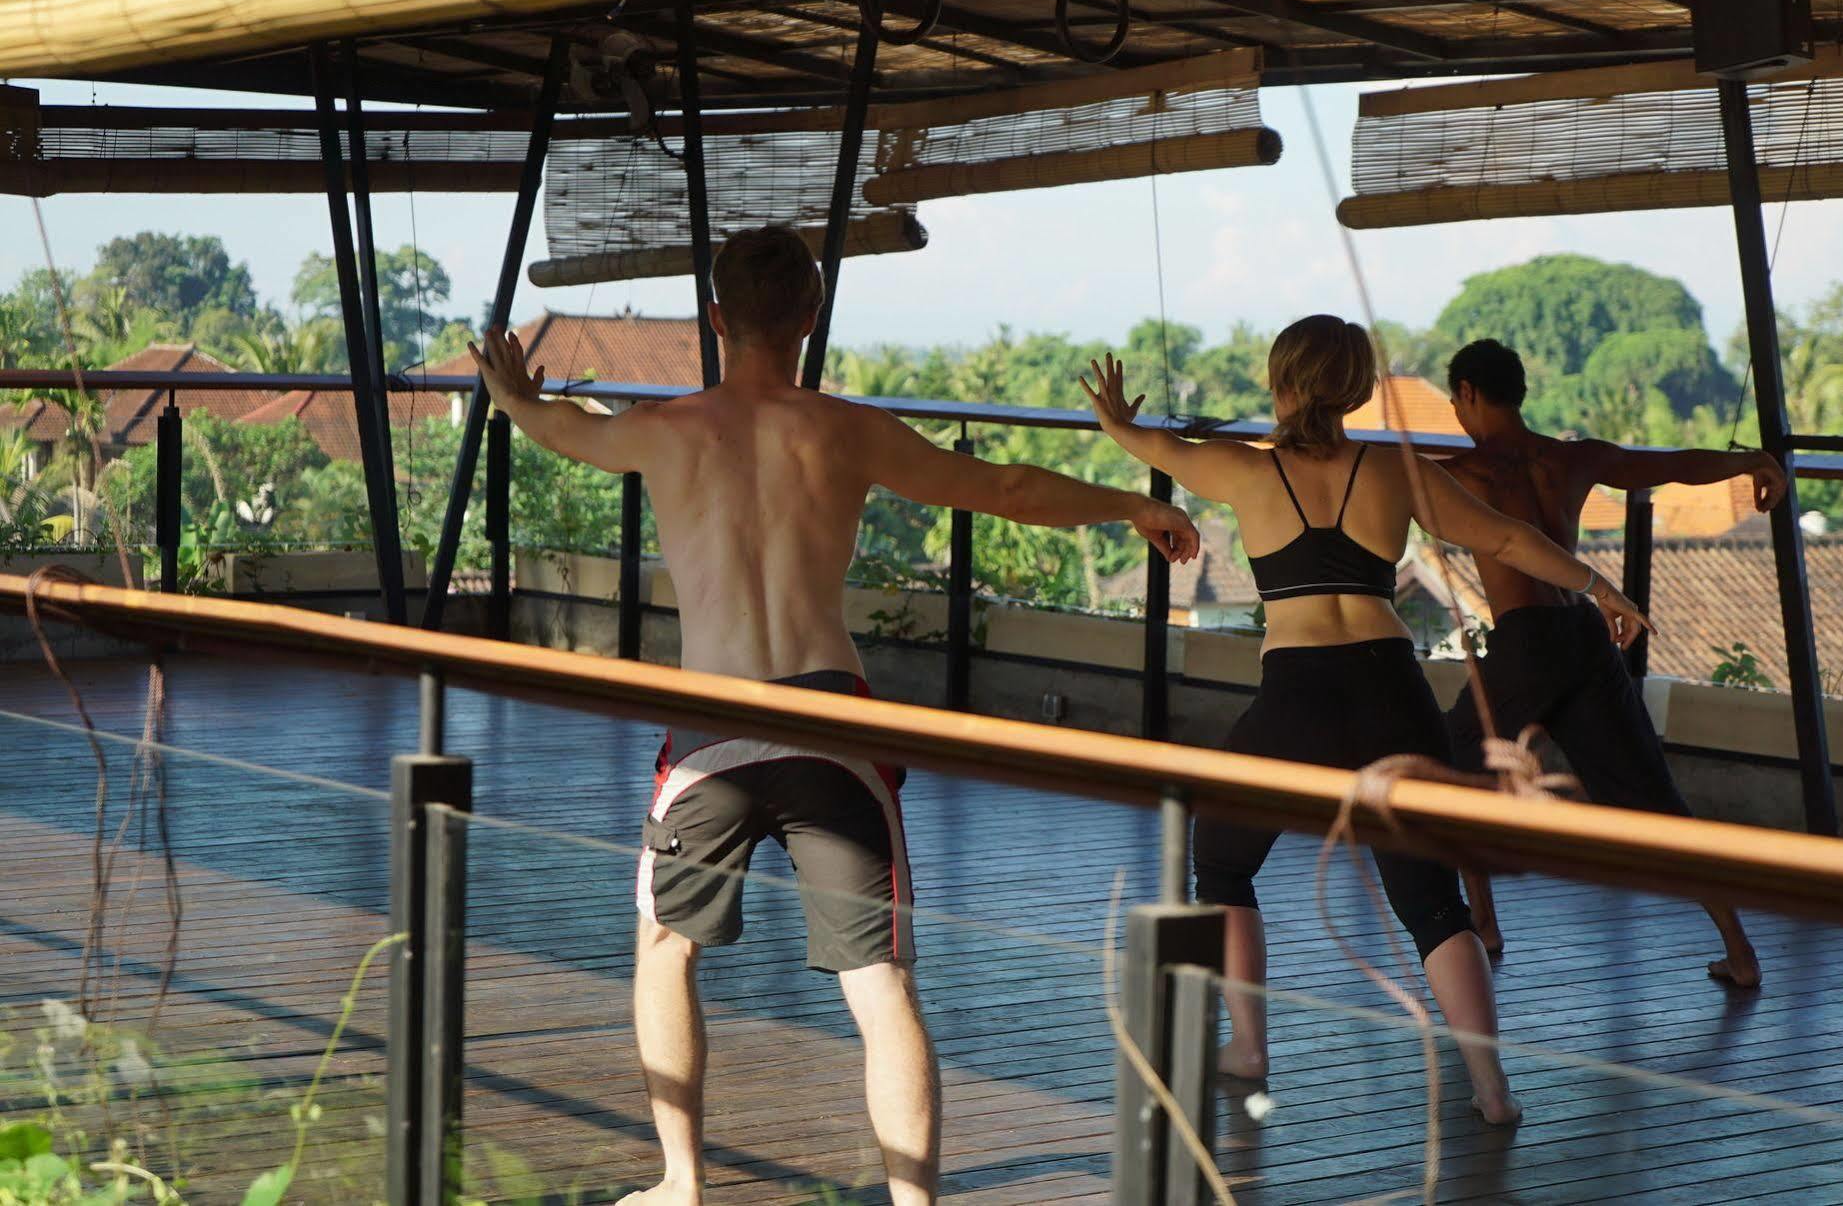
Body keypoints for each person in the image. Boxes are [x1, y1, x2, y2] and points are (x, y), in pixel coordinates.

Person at [469, 224, 1200, 1206]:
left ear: (717, 318)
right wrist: (1128, 502)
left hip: (710, 727)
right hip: (833, 725)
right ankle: (914, 1203)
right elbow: (1006, 487)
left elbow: (561, 426)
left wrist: (514, 391)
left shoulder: (665, 427)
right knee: (880, 982)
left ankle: (681, 1181)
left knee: (662, 948)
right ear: (810, 317)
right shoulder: (847, 431)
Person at [1080, 315, 1650, 1127]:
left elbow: (1146, 450)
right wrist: (1600, 588)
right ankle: (1493, 1092)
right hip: (1391, 689)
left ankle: (1249, 1049)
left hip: (1297, 697)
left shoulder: (1244, 472)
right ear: (1353, 388)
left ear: (1280, 382)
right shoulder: (1390, 471)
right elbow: (1508, 538)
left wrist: (1115, 419)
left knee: (1224, 863)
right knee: (1430, 902)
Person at [1440, 338, 1781, 988]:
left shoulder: (1463, 471)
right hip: (1583, 634)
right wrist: (1753, 462)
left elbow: (1364, 475)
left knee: (1448, 766)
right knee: (1654, 802)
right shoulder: (1570, 459)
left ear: (1467, 395)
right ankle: (1739, 952)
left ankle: (1482, 925)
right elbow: (1669, 464)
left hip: (1524, 642)